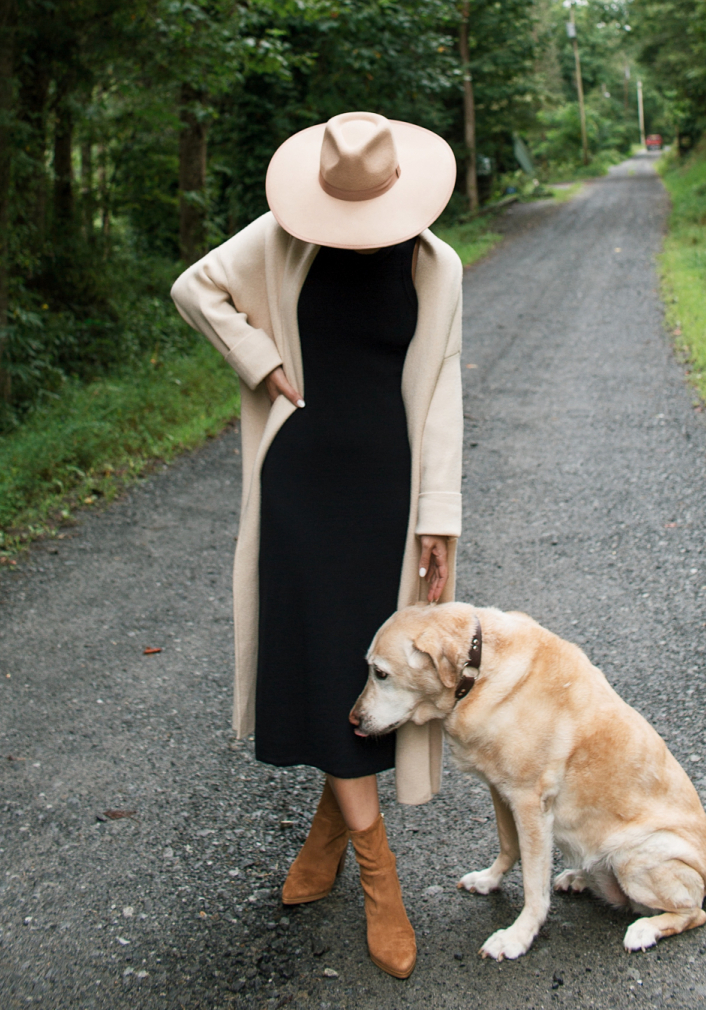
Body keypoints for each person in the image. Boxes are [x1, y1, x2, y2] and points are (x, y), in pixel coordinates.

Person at [170, 111, 463, 979]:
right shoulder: (282, 237)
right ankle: (381, 878)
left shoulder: (435, 265)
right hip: (298, 488)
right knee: (327, 658)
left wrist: (437, 515)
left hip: (388, 495)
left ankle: (329, 832)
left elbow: (441, 387)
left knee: (371, 669)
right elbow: (196, 289)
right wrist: (258, 359)